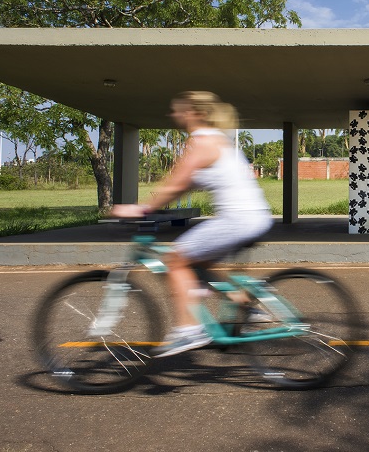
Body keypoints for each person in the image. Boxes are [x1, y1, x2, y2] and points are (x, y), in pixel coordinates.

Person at [111, 91, 272, 357]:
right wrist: (158, 202)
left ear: (195, 113)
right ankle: (245, 307)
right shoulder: (216, 139)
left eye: (178, 110)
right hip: (251, 217)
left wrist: (142, 208)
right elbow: (183, 185)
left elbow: (176, 184)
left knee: (175, 259)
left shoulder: (203, 142)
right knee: (198, 266)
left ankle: (189, 331)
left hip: (238, 219)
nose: (173, 115)